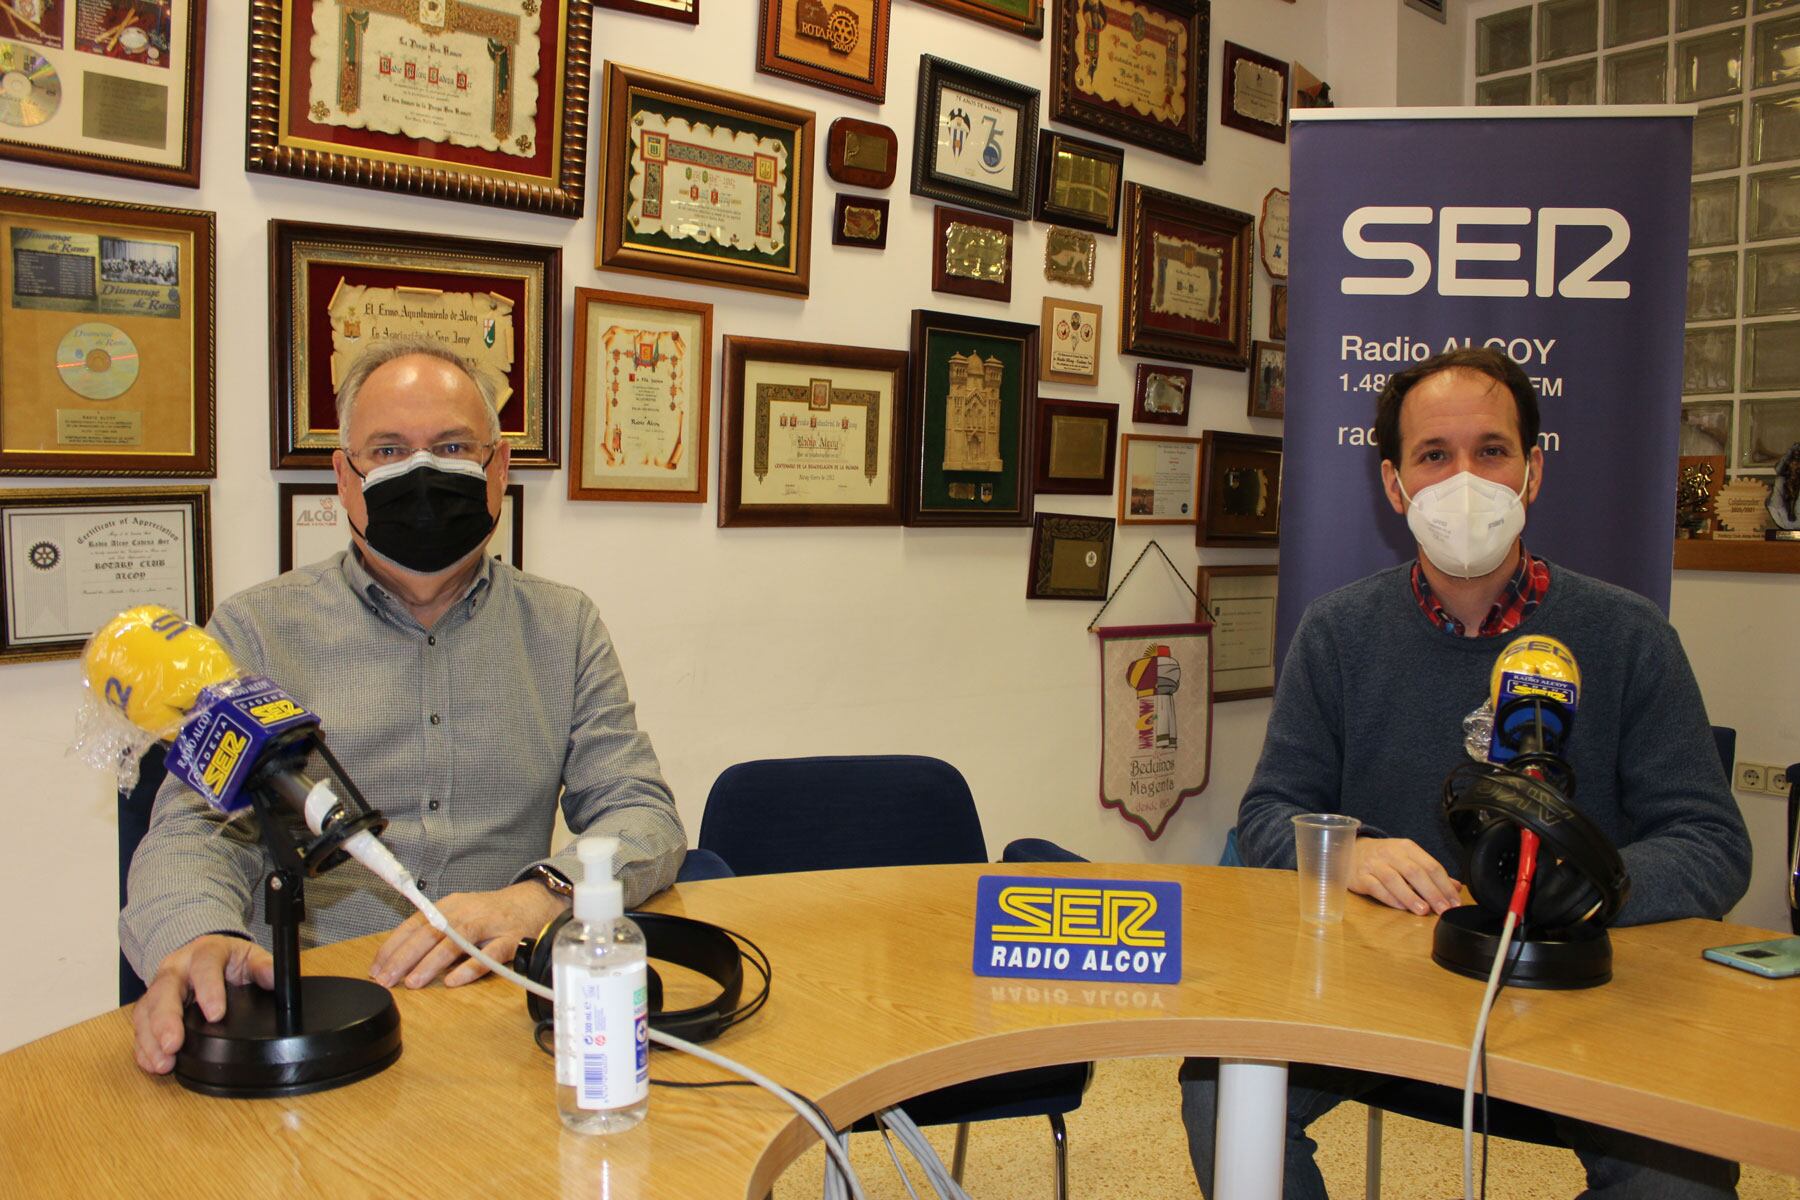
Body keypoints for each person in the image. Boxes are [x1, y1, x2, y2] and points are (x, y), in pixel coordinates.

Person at [1178, 347, 1752, 1197]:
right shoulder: (1338, 633)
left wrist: (1592, 885)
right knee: (1218, 1092)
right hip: (1380, 992)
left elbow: (1712, 843)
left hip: (1580, 995)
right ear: (1394, 484)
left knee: (1686, 1176)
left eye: (1491, 451)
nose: (1464, 479)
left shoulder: (1629, 636)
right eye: (1433, 456)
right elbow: (1270, 815)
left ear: (1532, 472)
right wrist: (1354, 855)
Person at [122, 336, 685, 1075]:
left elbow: (641, 812)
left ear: (499, 466)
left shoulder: (563, 626)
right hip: (317, 1025)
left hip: (501, 1019)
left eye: (452, 446)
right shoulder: (256, 629)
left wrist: (536, 899)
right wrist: (195, 936)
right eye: (388, 451)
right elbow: (194, 828)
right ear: (344, 479)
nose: (422, 474)